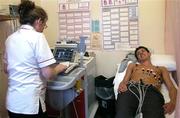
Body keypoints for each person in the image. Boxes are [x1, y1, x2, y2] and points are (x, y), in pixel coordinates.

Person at [3, 1, 68, 118]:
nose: (44, 28)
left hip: (12, 103)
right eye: (44, 25)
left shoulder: (10, 39)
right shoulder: (37, 37)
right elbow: (49, 74)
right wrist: (59, 67)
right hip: (30, 105)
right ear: (38, 21)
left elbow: (6, 69)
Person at [115, 46, 177, 118]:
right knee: (122, 114)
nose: (140, 53)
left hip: (152, 92)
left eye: (143, 51)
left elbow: (171, 87)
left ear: (149, 53)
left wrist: (173, 101)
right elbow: (125, 81)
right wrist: (122, 84)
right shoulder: (133, 66)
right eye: (138, 53)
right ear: (138, 58)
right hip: (132, 89)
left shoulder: (161, 69)